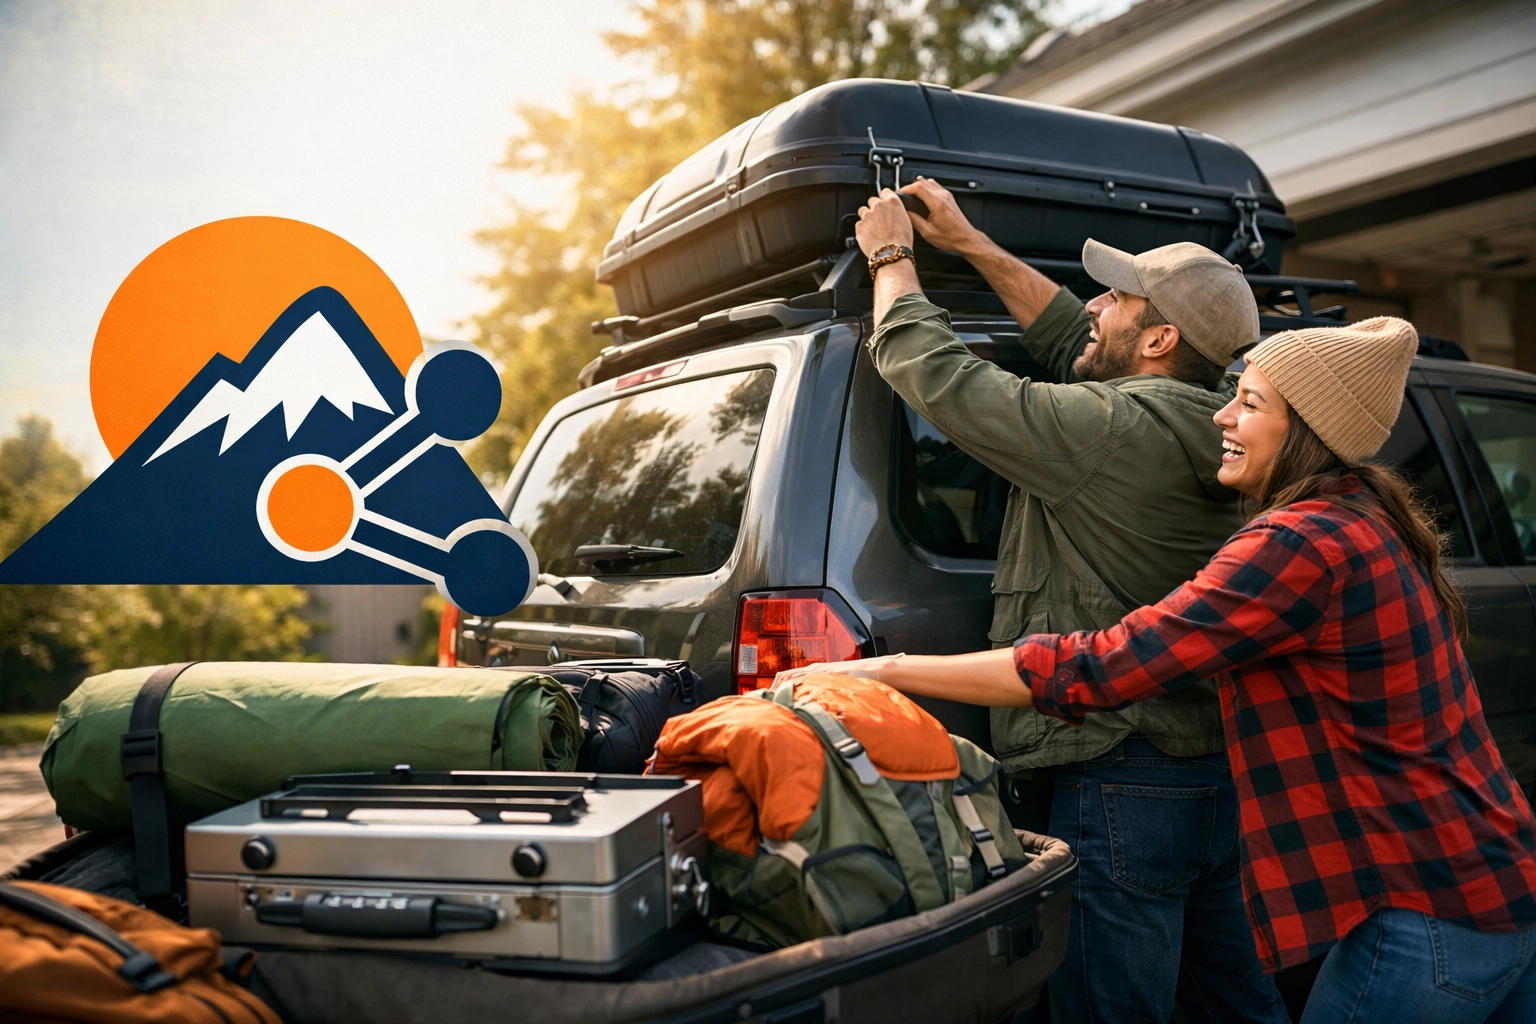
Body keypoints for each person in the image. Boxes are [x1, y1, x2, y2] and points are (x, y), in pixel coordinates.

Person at [797, 317, 1536, 1022]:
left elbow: (1103, 665)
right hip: (1499, 881)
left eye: (1248, 403)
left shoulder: (1299, 545)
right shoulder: (1364, 515)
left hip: (1429, 916)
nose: (1222, 416)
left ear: (1305, 430)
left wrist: (888, 671)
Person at [855, 181, 1288, 1022]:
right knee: (1234, 1003)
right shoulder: (1225, 428)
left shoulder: (1110, 429)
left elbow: (928, 369)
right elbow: (1070, 338)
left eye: (1118, 297)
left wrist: (892, 256)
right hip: (1209, 772)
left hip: (1120, 774)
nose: (1097, 303)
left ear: (1159, 337)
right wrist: (973, 244)